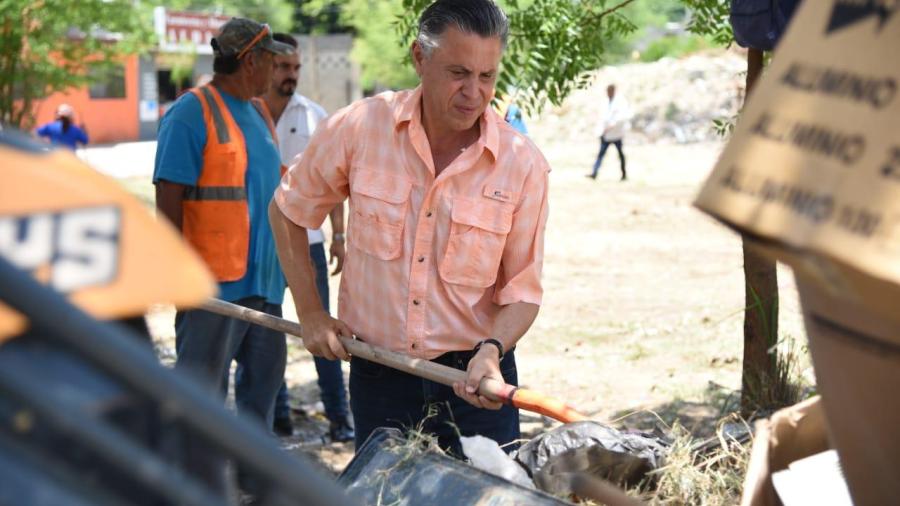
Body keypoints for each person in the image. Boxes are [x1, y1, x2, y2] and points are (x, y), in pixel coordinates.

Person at [269, 0, 550, 457]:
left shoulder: (522, 165)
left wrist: (492, 351)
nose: (473, 93)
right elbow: (287, 210)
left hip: (476, 381)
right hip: (380, 373)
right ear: (420, 57)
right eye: (458, 72)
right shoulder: (360, 128)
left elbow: (523, 291)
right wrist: (311, 313)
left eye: (487, 76)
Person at [152, 17, 293, 494]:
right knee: (201, 398)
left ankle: (254, 487)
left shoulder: (260, 113)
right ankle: (194, 488)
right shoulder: (192, 112)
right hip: (212, 286)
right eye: (271, 59)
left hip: (265, 284)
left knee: (262, 395)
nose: (275, 69)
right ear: (250, 61)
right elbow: (169, 193)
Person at [241, 31, 353, 442]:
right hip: (260, 247)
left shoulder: (315, 115)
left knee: (322, 330)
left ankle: (341, 421)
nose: (291, 75)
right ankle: (280, 416)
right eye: (283, 67)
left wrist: (338, 234)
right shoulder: (247, 114)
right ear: (267, 66)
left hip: (308, 244)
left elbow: (334, 181)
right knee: (267, 333)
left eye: (296, 68)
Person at [587, 84, 629, 181]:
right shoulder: (605, 102)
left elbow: (621, 118)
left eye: (610, 91)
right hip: (606, 134)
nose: (608, 93)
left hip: (616, 134)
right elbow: (602, 118)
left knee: (620, 155)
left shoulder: (620, 102)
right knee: (601, 154)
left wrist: (611, 126)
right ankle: (594, 173)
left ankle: (623, 174)